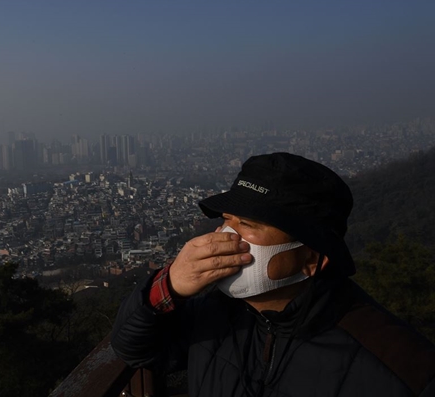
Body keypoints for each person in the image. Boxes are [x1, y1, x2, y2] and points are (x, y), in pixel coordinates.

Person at [111, 152, 435, 397]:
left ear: (312, 258)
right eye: (227, 219)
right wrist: (169, 286)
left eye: (249, 225)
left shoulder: (396, 363)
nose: (226, 236)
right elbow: (133, 349)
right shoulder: (214, 314)